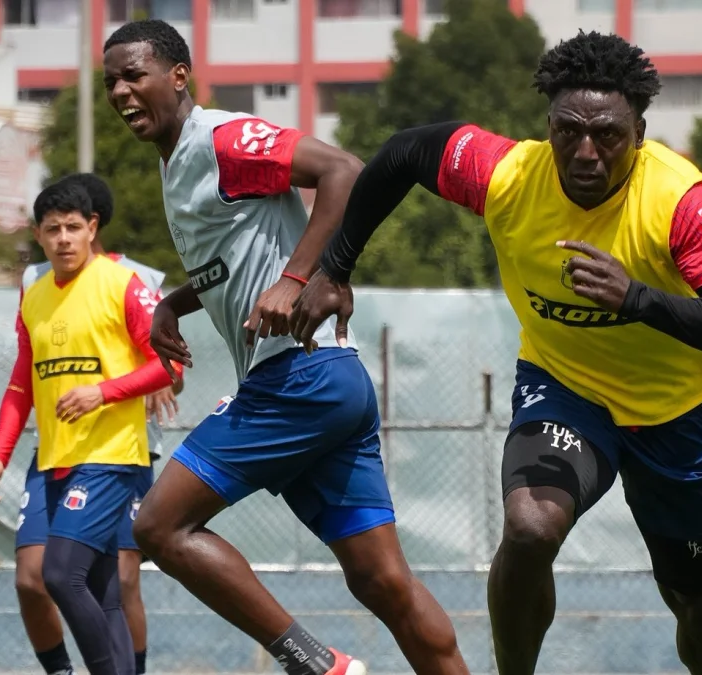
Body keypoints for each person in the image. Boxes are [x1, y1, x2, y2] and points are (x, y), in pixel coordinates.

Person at [290, 30, 702, 675]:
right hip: (565, 388)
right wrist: (335, 267)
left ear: (639, 130)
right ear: (546, 124)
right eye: (567, 130)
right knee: (528, 529)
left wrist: (637, 299)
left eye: (607, 135)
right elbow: (405, 153)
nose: (585, 152)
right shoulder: (507, 174)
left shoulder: (674, 200)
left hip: (673, 412)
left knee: (696, 594)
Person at [101, 19, 468, 675]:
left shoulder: (221, 137)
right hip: (328, 385)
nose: (121, 91)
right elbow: (232, 260)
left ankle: (316, 664)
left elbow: (343, 171)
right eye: (111, 82)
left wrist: (301, 277)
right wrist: (175, 304)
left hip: (299, 380)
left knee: (158, 526)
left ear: (178, 76)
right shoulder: (180, 164)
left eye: (134, 74)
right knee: (383, 583)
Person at [0, 172, 181, 675]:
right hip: (52, 458)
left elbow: (171, 366)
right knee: (76, 584)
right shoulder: (35, 292)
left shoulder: (128, 283)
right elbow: (22, 381)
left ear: (93, 227)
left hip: (112, 456)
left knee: (67, 574)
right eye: (52, 229)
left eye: (72, 227)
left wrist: (105, 391)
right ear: (39, 235)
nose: (63, 238)